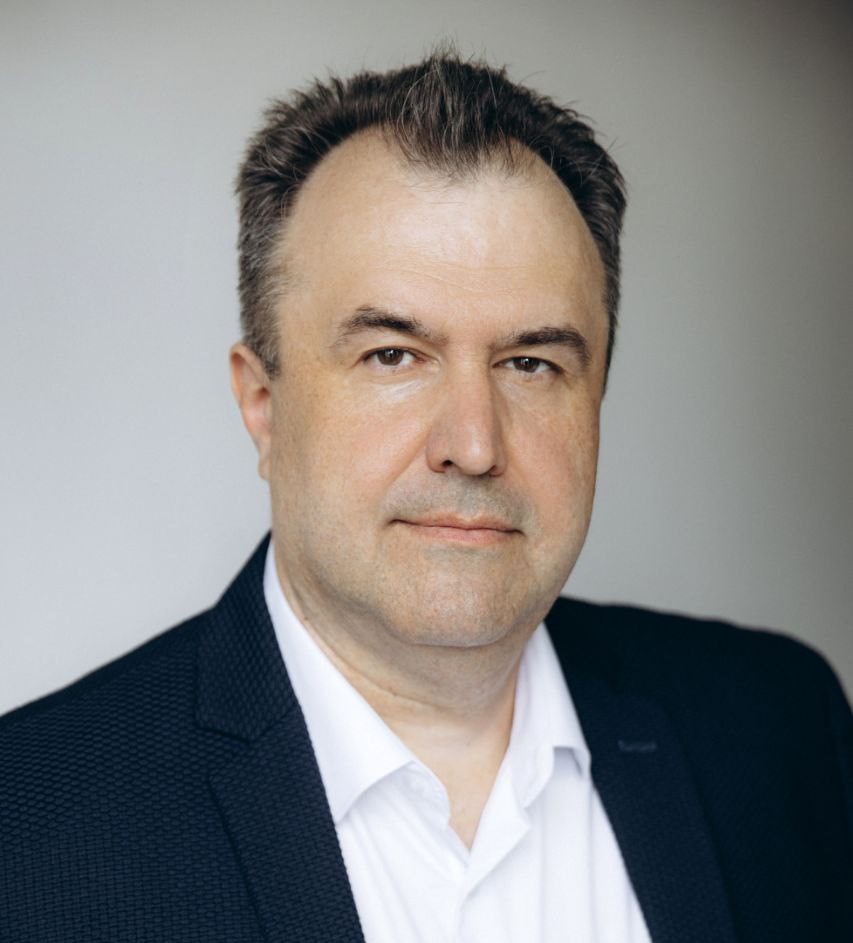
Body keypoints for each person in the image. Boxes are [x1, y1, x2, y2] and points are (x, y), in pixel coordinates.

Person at [1, 51, 850, 943]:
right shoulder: (28, 833)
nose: (473, 446)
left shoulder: (779, 729)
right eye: (393, 355)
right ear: (262, 404)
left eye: (530, 363)